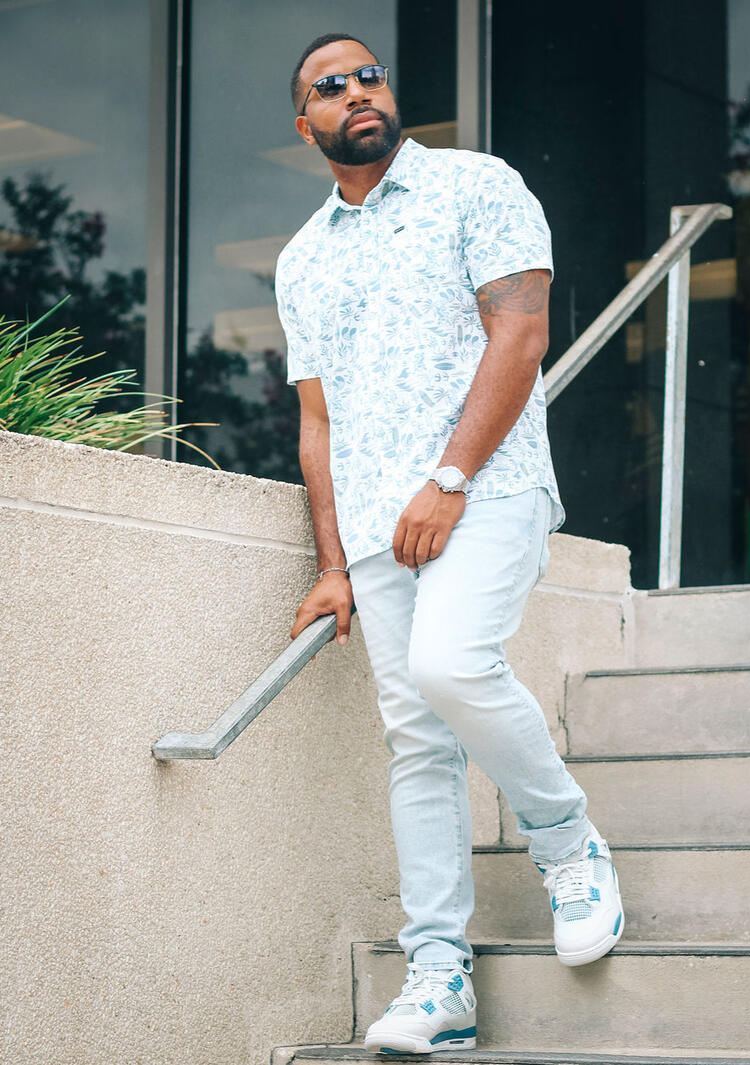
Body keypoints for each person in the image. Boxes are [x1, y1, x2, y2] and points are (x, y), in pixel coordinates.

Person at [274, 32, 624, 1057]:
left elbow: (520, 335)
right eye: (326, 88)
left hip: (487, 488)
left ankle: (569, 843)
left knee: (450, 665)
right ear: (306, 125)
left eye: (366, 74)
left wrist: (449, 478)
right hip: (377, 526)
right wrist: (332, 562)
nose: (354, 93)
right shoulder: (301, 257)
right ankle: (439, 974)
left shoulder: (476, 184)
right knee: (416, 739)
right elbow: (319, 423)